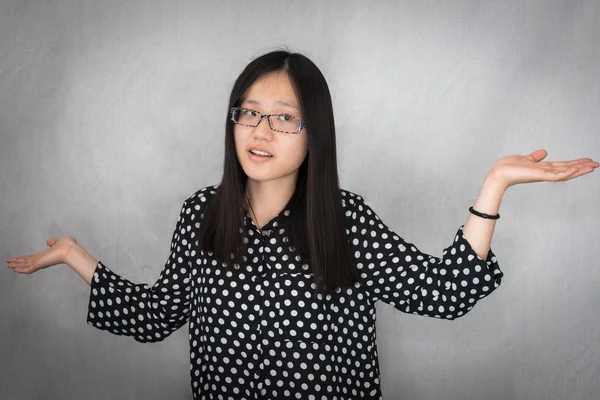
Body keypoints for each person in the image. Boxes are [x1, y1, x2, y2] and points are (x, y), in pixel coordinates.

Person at [7, 49, 598, 400]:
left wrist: (493, 184)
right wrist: (74, 256)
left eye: (284, 118)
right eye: (250, 114)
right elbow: (157, 315)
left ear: (315, 132)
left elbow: (442, 293)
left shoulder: (343, 219)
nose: (260, 131)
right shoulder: (200, 214)